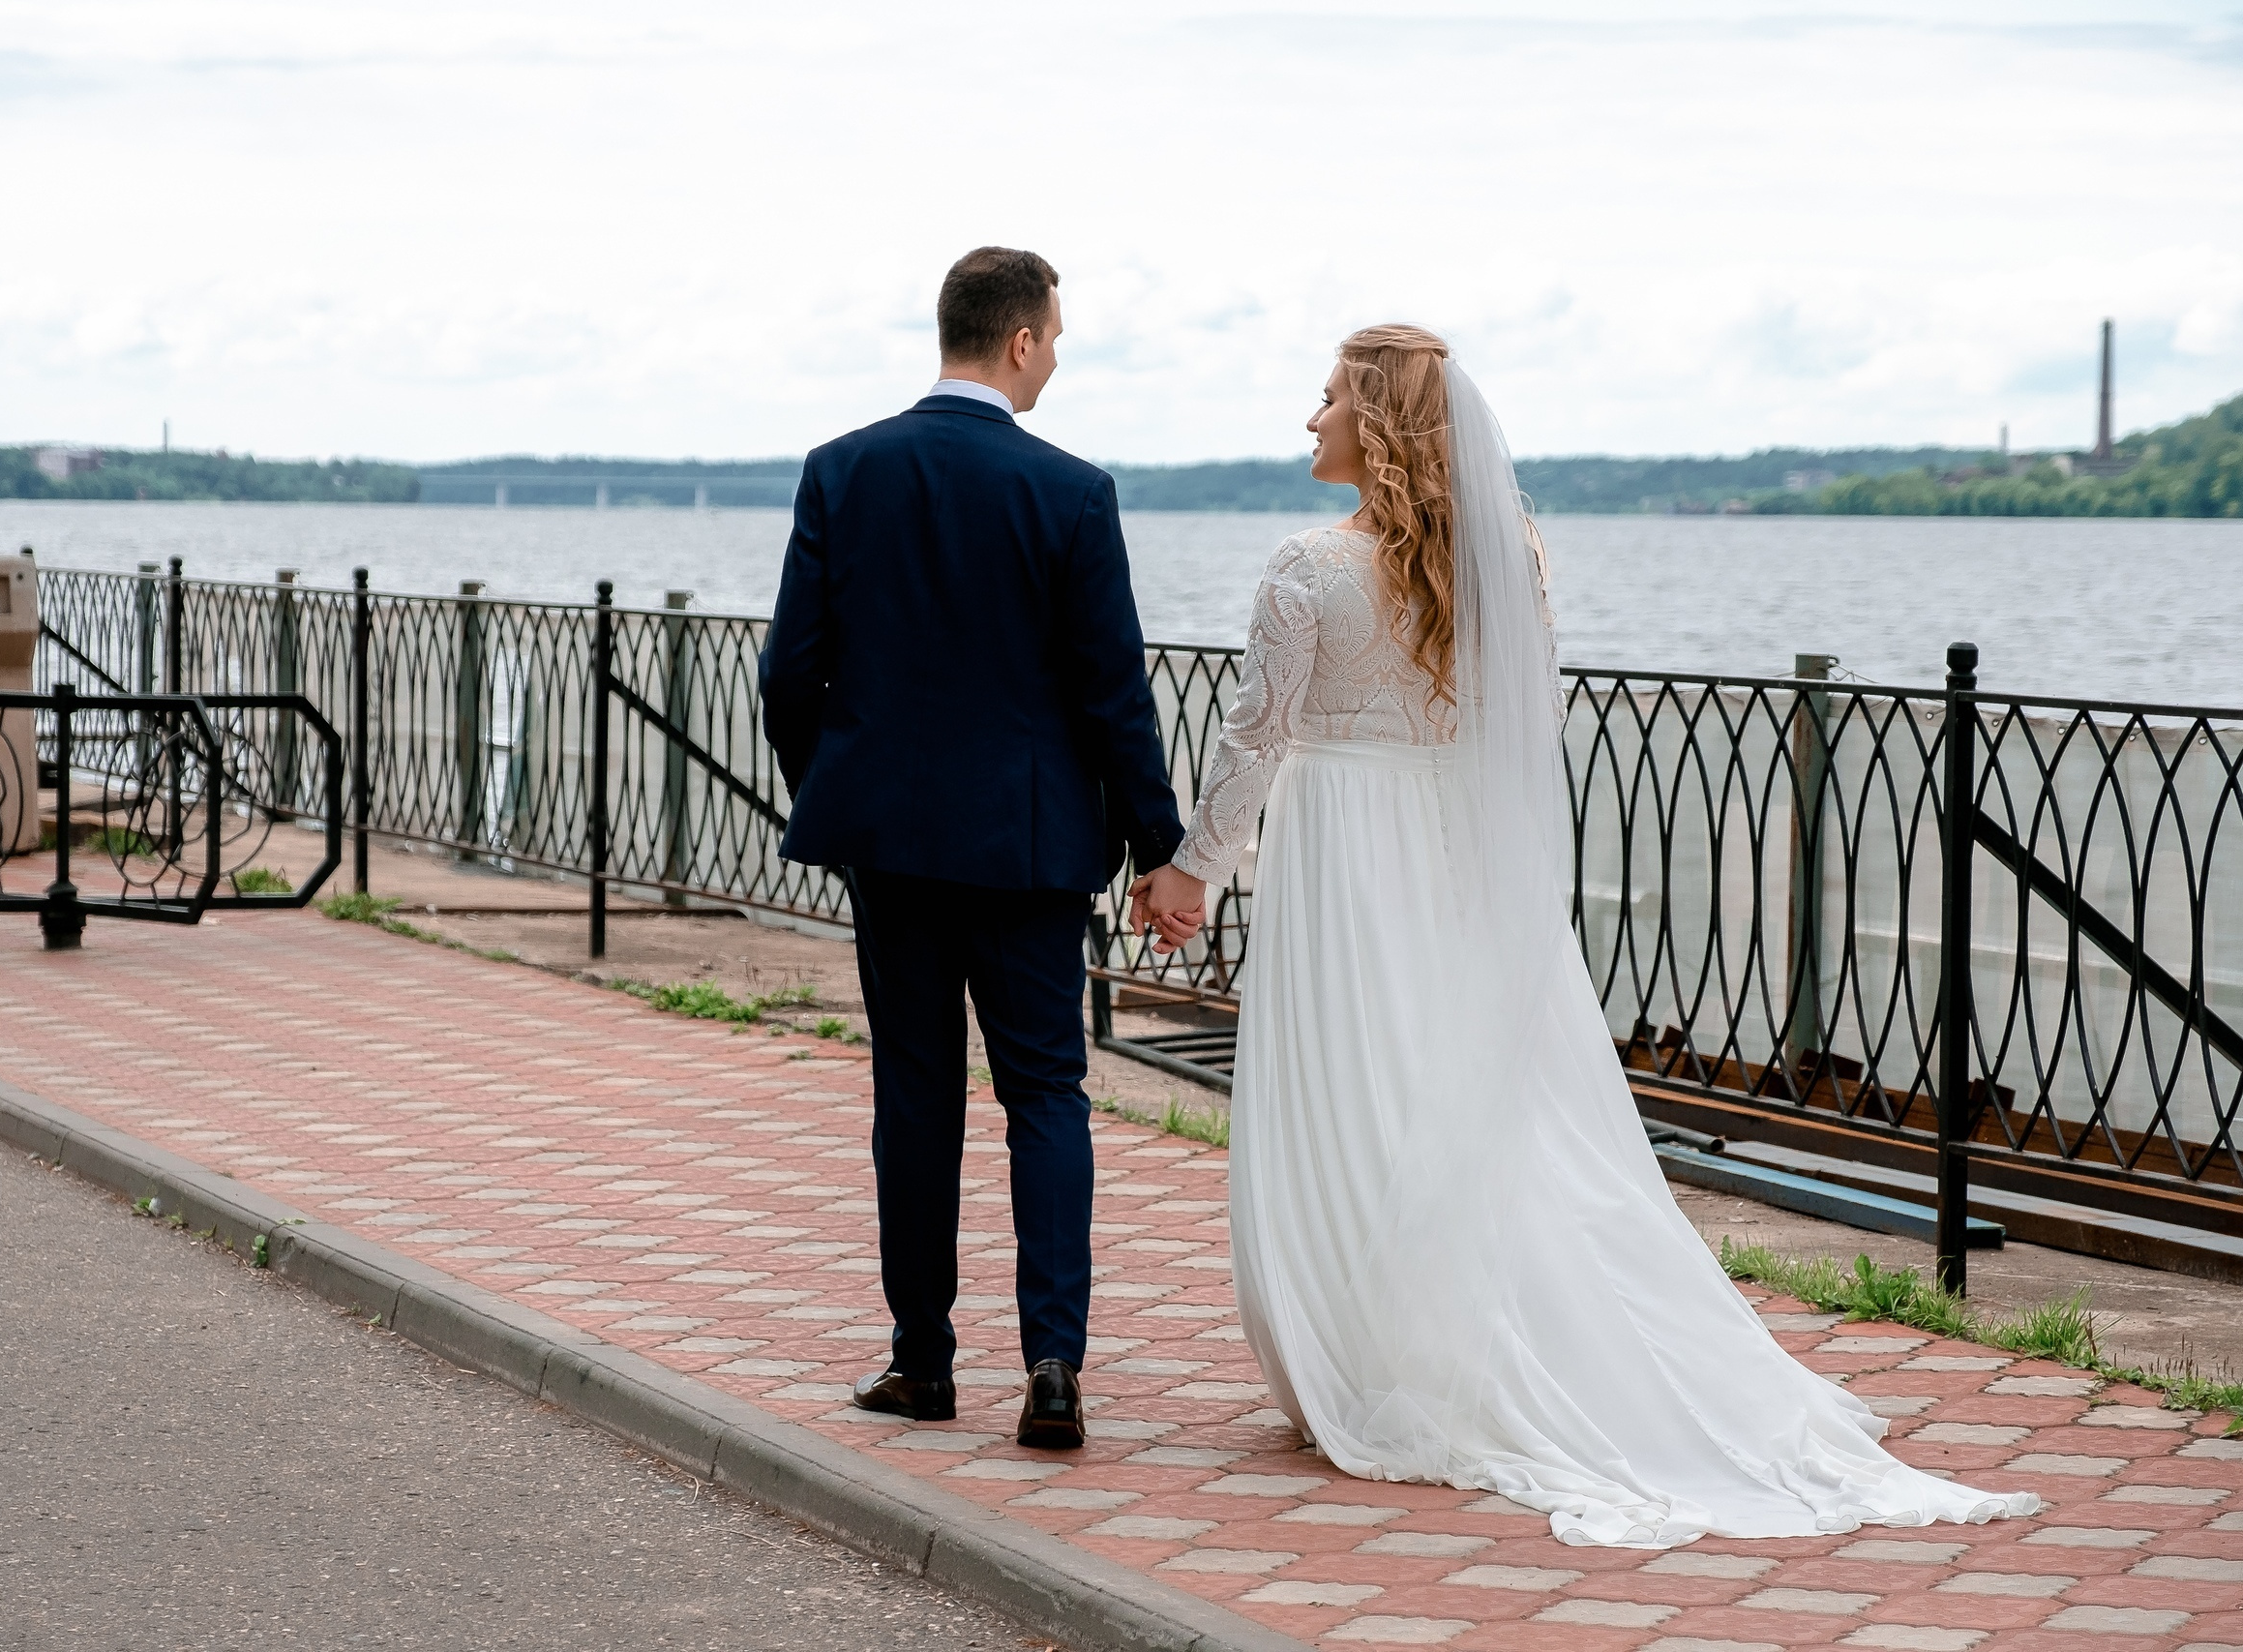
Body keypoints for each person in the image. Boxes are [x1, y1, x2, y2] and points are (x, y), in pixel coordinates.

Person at [1125, 326, 2041, 1547]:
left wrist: (1191, 871)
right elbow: (1508, 742)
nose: (1310, 420)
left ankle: (1364, 1354)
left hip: (1341, 854)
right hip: (1449, 860)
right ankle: (1423, 1340)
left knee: (1348, 1091)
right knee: (1447, 1100)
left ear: (1382, 428)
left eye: (1333, 397)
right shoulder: (1507, 566)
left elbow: (1253, 738)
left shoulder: (1304, 567)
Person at [758, 247, 1191, 1450]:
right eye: (1053, 335)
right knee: (1045, 1095)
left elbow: (789, 677)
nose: (1055, 355)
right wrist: (1161, 847)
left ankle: (922, 1364)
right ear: (1016, 342)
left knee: (915, 1096)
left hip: (890, 848)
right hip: (1035, 849)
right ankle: (1053, 1370)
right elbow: (1116, 697)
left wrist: (845, 799)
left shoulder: (842, 470)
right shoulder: (1072, 491)